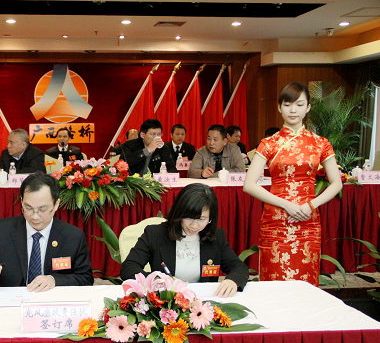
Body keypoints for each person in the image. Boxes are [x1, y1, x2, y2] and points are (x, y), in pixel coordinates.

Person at [243, 82, 342, 286]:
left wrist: (311, 205)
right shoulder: (269, 143)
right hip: (276, 220)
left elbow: (336, 184)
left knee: (306, 280)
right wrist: (287, 205)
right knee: (274, 279)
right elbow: (249, 185)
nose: (293, 110)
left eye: (299, 104)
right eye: (287, 105)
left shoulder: (320, 143)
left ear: (308, 107)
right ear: (279, 107)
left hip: (307, 219)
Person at [0, 172, 94, 291]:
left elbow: (85, 277)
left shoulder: (73, 236)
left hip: (52, 301)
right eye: (28, 208)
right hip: (11, 301)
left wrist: (54, 280)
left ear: (56, 205)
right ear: (22, 201)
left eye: (42, 209)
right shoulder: (0, 230)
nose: (35, 216)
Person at [120, 183, 249, 297]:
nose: (194, 226)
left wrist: (233, 280)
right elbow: (128, 268)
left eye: (202, 219)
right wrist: (158, 280)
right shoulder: (155, 234)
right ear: (179, 213)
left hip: (202, 302)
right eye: (189, 218)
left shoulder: (215, 237)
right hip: (166, 302)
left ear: (211, 218)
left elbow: (238, 267)